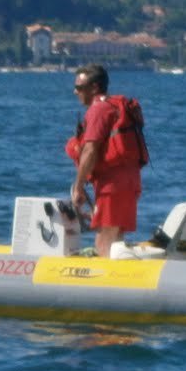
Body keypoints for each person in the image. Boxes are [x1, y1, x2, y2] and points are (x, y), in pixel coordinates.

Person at [66, 64, 148, 257]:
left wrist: (78, 186)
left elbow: (90, 150)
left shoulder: (98, 110)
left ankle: (103, 279)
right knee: (116, 235)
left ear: (94, 88)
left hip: (113, 185)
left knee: (105, 238)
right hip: (130, 181)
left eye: (79, 87)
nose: (75, 91)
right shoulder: (113, 106)